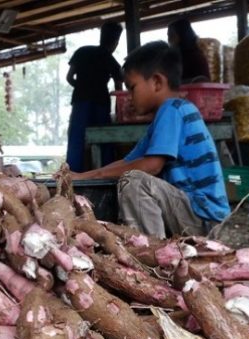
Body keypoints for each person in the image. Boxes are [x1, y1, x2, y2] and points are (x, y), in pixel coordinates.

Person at [70, 41, 230, 239]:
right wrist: (82, 176)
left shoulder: (173, 109)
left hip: (205, 219)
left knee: (135, 182)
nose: (129, 96)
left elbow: (151, 166)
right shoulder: (165, 117)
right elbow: (128, 162)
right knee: (130, 174)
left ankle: (152, 255)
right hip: (194, 214)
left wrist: (90, 176)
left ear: (156, 82)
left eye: (132, 88)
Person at [65, 21, 124, 172]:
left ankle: (71, 176)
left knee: (76, 140)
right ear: (116, 42)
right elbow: (119, 84)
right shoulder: (109, 58)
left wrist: (82, 86)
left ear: (101, 36)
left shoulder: (82, 51)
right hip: (100, 103)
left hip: (80, 100)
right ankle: (107, 173)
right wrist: (120, 110)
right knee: (105, 139)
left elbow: (69, 77)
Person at [167, 19, 211, 83]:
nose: (168, 40)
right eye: (168, 36)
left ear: (182, 35)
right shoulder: (175, 57)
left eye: (171, 35)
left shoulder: (196, 57)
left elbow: (202, 81)